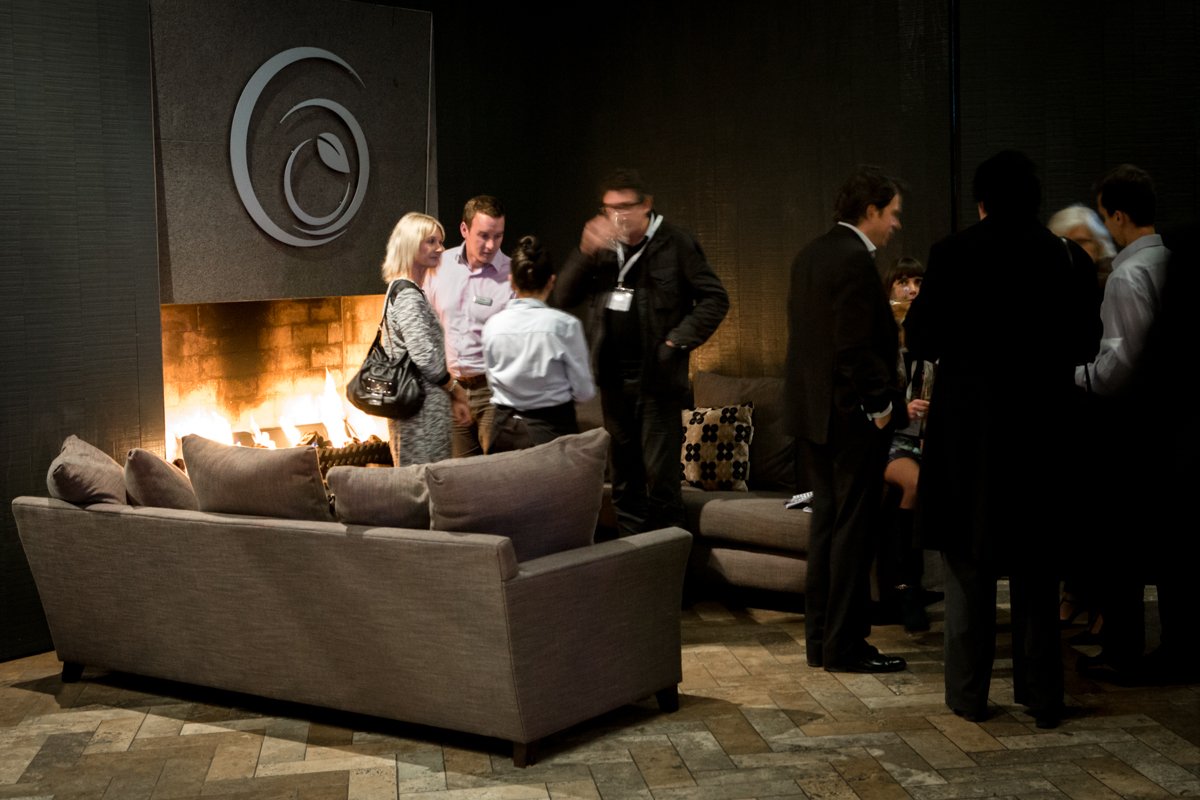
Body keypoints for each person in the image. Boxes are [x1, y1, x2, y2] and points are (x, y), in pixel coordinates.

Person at [904, 151, 1096, 727]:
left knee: (968, 563)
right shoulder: (1067, 257)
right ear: (1035, 199)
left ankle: (967, 695)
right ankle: (1042, 696)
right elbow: (1087, 345)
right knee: (1038, 568)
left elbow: (920, 336)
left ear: (982, 201)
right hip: (1043, 431)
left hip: (968, 432)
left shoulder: (951, 253)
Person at [552, 169, 729, 535]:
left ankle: (670, 575)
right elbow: (563, 297)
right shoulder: (600, 249)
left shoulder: (675, 242)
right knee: (624, 482)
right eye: (608, 207)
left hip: (658, 383)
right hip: (614, 381)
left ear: (646, 205)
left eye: (625, 206)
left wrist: (675, 342)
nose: (616, 215)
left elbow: (715, 299)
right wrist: (584, 252)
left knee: (661, 482)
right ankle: (635, 569)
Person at [784, 166, 909, 674]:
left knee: (826, 532)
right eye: (893, 213)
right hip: (849, 421)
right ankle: (846, 647)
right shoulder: (855, 260)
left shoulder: (810, 254)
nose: (896, 225)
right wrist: (882, 410)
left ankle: (822, 642)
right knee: (851, 536)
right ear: (871, 210)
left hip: (811, 416)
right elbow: (855, 348)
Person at [1074, 165, 1171, 683]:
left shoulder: (1128, 275)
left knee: (1120, 548)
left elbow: (1118, 366)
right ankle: (1175, 648)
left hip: (1130, 430)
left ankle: (1122, 652)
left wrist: (1069, 376)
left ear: (1118, 214)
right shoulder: (1171, 262)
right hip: (1170, 426)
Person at [482, 235, 595, 451]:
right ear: (552, 281)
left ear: (512, 281)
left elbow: (492, 380)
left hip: (503, 433)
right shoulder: (565, 326)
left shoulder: (492, 325)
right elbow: (584, 391)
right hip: (553, 431)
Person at [423, 195, 515, 457]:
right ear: (464, 229)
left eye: (498, 236)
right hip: (452, 390)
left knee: (496, 473)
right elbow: (426, 323)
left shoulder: (512, 274)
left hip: (493, 391)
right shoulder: (439, 266)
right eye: (483, 235)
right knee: (462, 478)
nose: (490, 245)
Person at [378, 213, 471, 466]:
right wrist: (456, 389)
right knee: (423, 485)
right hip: (419, 416)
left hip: (423, 410)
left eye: (440, 242)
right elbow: (425, 356)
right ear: (410, 243)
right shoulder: (407, 294)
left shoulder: (407, 289)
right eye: (431, 241)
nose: (440, 248)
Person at [878, 257, 933, 633]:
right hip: (887, 439)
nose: (911, 290)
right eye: (903, 282)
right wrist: (902, 408)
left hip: (926, 437)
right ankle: (906, 587)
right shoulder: (881, 340)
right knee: (914, 484)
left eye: (917, 282)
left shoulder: (931, 338)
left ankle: (917, 584)